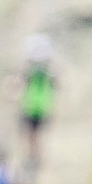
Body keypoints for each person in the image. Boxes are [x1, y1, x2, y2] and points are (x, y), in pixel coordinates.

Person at [19, 32, 57, 168]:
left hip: (37, 107)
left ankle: (35, 157)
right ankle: (33, 156)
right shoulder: (40, 73)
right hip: (34, 106)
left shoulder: (45, 74)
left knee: (35, 135)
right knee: (33, 135)